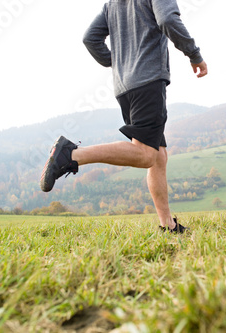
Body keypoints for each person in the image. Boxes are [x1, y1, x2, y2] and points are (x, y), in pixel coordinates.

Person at [40, 0, 208, 233]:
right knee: (147, 155)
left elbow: (90, 38)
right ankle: (71, 154)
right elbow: (168, 19)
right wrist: (194, 54)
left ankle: (167, 225)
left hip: (124, 86)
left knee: (159, 155)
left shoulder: (113, 3)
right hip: (148, 80)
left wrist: (119, 62)